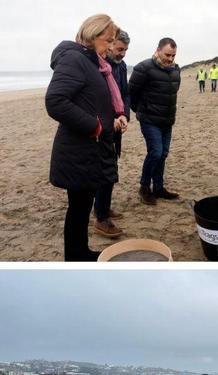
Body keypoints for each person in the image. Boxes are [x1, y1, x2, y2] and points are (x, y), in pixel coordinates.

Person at [45, 13, 126, 261]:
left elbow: (88, 100)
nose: (112, 46)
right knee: (79, 208)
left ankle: (79, 251)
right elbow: (55, 101)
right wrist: (96, 127)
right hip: (79, 148)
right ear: (93, 34)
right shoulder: (74, 59)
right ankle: (76, 255)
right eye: (109, 39)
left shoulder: (92, 62)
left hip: (90, 148)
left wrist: (112, 118)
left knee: (81, 206)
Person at [129, 37, 181, 205]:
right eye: (167, 55)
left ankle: (158, 188)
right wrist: (142, 111)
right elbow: (132, 94)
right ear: (158, 50)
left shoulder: (175, 70)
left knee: (163, 154)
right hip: (149, 120)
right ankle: (144, 188)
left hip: (167, 121)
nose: (171, 59)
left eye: (173, 55)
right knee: (155, 152)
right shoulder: (143, 68)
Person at [93, 29, 131, 239]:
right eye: (119, 49)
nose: (122, 53)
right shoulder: (98, 63)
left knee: (112, 164)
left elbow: (125, 93)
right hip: (103, 124)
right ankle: (101, 216)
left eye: (125, 50)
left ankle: (103, 207)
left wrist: (124, 114)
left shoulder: (122, 66)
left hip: (117, 124)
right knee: (104, 169)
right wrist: (110, 118)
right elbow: (98, 95)